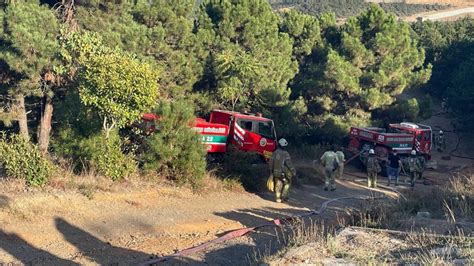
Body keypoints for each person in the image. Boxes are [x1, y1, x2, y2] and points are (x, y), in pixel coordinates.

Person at [269, 138, 296, 203]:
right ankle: (284, 197)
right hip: (283, 173)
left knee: (278, 185)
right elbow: (289, 164)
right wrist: (293, 172)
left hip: (275, 173)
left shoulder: (275, 153)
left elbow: (270, 163)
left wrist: (271, 172)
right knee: (287, 183)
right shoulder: (285, 153)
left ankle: (277, 198)